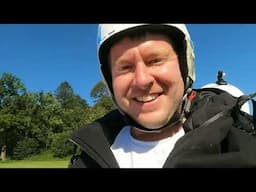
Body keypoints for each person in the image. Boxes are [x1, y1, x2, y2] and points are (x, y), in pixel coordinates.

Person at [68, 24, 256, 168]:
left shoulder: (241, 139)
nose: (142, 81)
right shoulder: (87, 157)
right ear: (110, 80)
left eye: (155, 60)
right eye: (125, 67)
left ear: (185, 65)